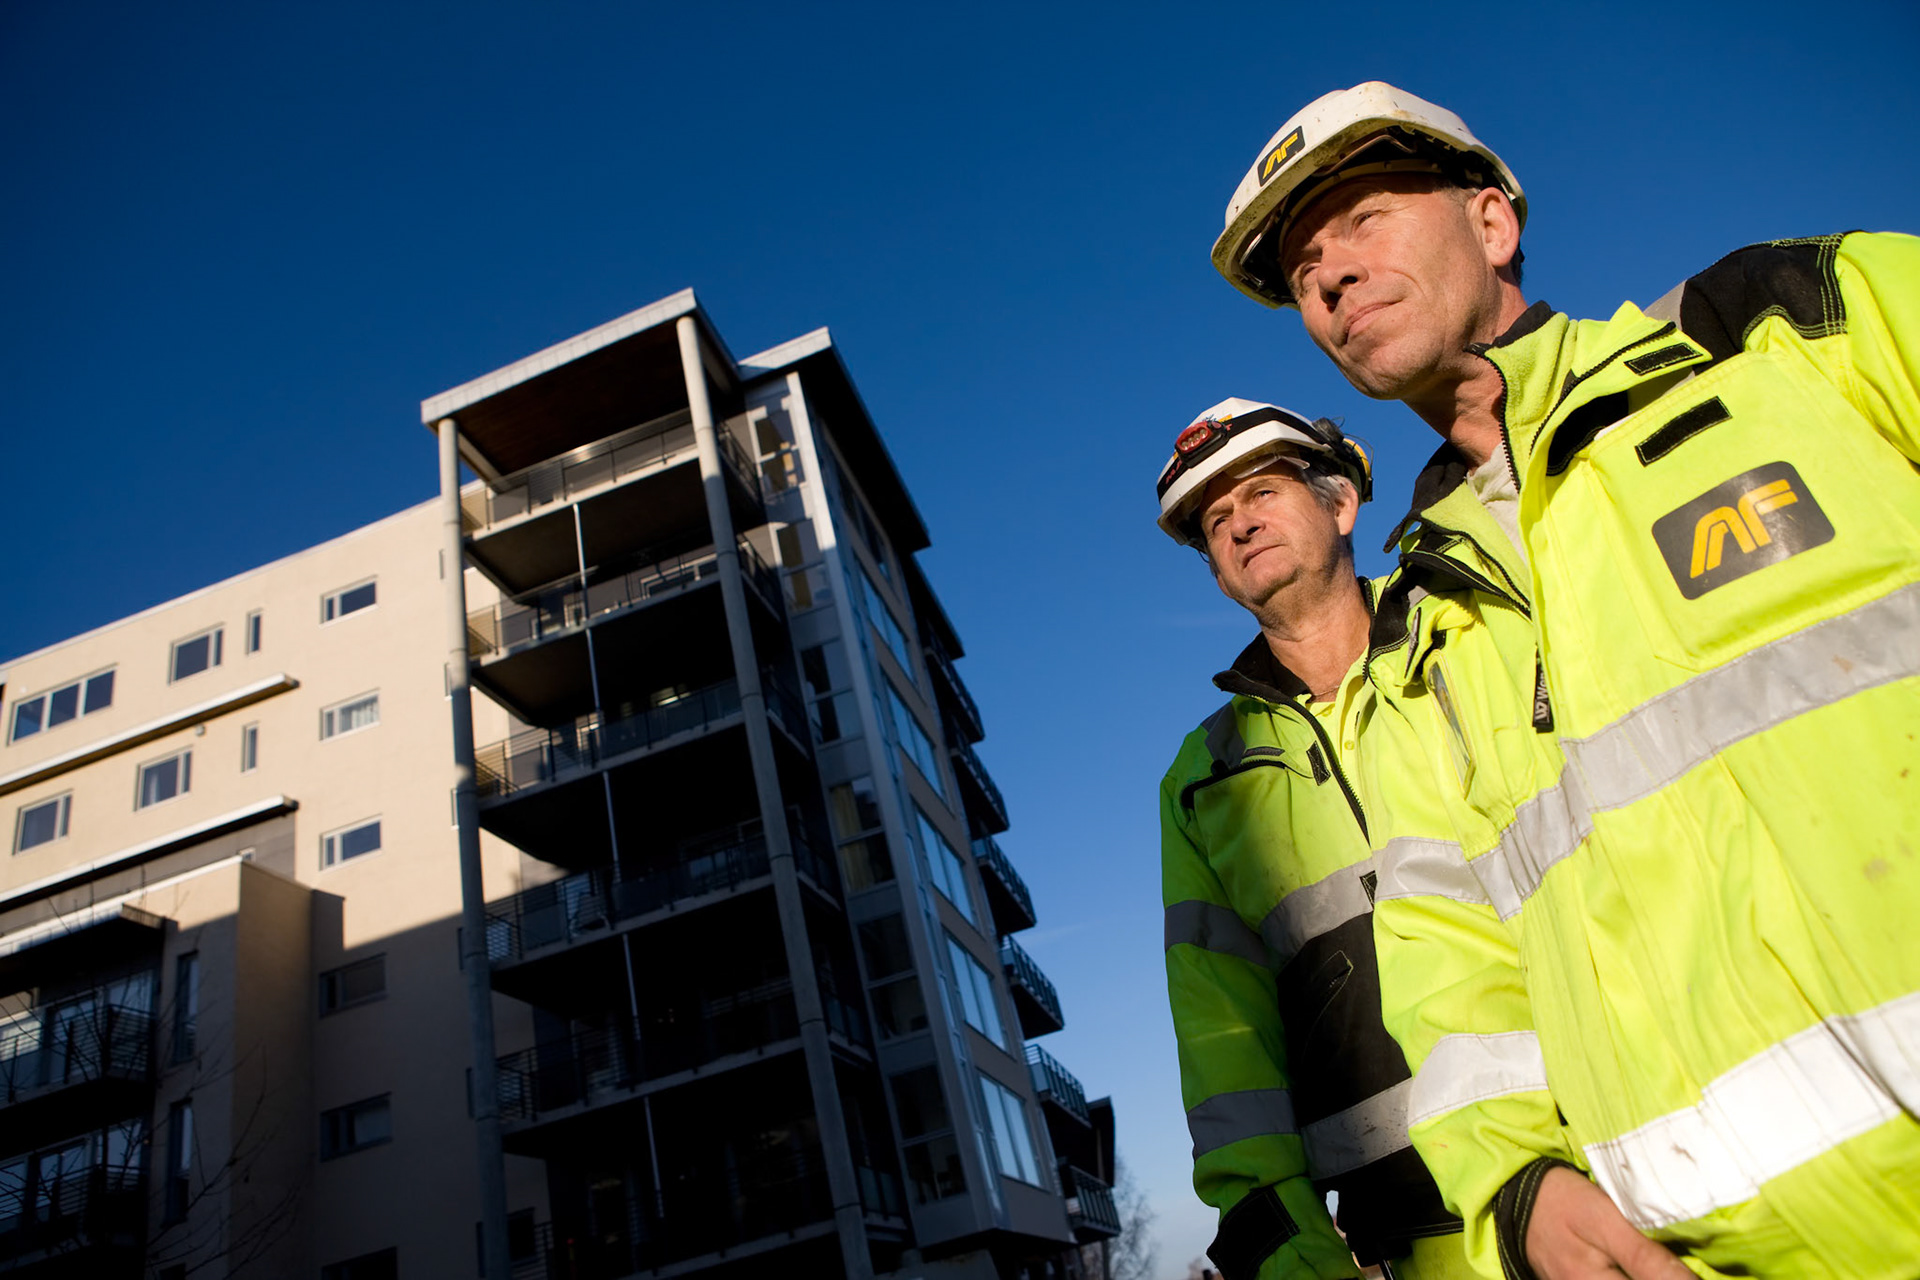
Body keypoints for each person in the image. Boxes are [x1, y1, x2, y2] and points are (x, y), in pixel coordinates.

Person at [1209, 81, 1920, 1279]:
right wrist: (1519, 1185)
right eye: (1302, 268)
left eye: (1363, 218)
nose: (1326, 277)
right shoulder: (1411, 642)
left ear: (1491, 223)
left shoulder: (1788, 331)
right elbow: (1447, 955)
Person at [1156, 397, 1498, 1279]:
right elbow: (1222, 1034)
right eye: (1216, 522)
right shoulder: (1205, 780)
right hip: (1413, 1228)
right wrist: (1287, 1247)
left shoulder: (1474, 626)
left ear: (1341, 502)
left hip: (1610, 1139)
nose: (1238, 526)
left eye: (1261, 493)